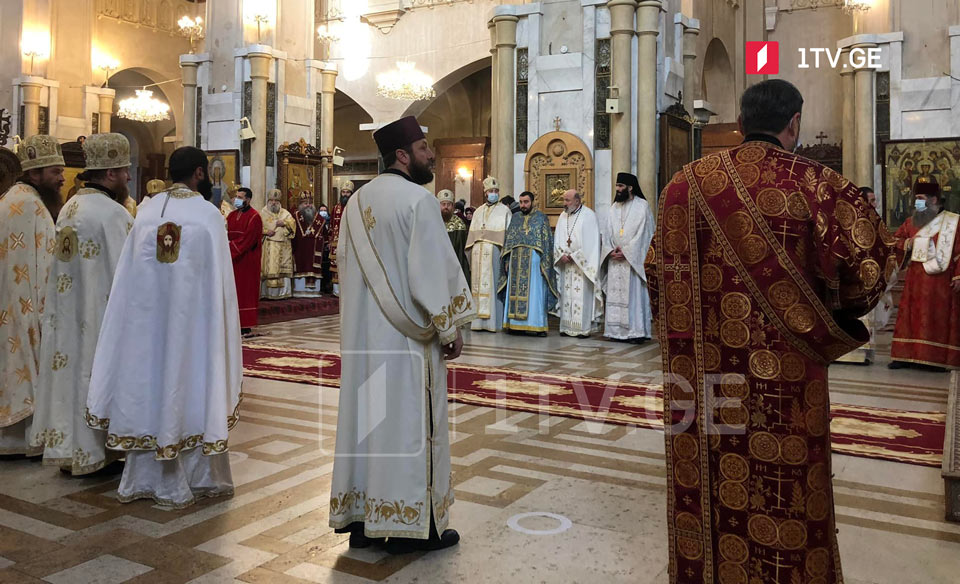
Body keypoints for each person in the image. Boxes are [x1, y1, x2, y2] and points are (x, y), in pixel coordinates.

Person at [647, 79, 894, 584]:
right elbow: (868, 273)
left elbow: (656, 272)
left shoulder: (680, 186)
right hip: (787, 383)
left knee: (714, 488)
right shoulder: (819, 185)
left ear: (739, 124)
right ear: (794, 124)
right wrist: (827, 311)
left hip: (702, 380)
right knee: (788, 494)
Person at [329, 116, 475, 553]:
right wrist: (449, 328)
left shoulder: (355, 204)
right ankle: (419, 526)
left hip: (363, 340)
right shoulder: (418, 201)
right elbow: (430, 274)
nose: (432, 155)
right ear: (403, 155)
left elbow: (343, 268)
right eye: (425, 148)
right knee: (411, 428)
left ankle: (362, 521)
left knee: (370, 427)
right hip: (407, 345)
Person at [85, 146, 242, 509]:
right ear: (201, 173)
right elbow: (220, 284)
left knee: (150, 386)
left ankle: (143, 475)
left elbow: (128, 279)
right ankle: (197, 475)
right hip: (193, 328)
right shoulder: (207, 214)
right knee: (188, 385)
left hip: (145, 327)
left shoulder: (146, 210)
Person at [30, 133, 134, 474]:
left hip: (66, 316)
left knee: (70, 376)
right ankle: (94, 453)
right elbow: (127, 272)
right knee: (93, 375)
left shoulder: (70, 207)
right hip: (99, 316)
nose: (129, 177)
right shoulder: (112, 214)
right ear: (110, 174)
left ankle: (70, 449)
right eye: (124, 170)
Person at [0, 135, 61, 454]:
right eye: (55, 171)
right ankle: (22, 439)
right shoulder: (28, 204)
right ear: (34, 173)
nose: (63, 177)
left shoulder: (14, 197)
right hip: (23, 305)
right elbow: (42, 265)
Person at [889, 179, 960, 370]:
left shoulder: (953, 222)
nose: (916, 203)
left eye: (920, 198)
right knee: (909, 316)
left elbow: (959, 251)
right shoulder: (911, 222)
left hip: (940, 280)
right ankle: (904, 356)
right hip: (915, 279)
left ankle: (934, 359)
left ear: (934, 199)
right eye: (916, 198)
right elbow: (894, 241)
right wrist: (907, 244)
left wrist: (958, 276)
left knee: (935, 318)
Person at [837, 187, 898, 365]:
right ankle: (848, 353)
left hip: (868, 276)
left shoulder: (875, 222)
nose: (875, 204)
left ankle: (863, 352)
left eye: (874, 200)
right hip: (852, 277)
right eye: (871, 200)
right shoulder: (846, 220)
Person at [600, 172, 655, 343]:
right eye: (617, 186)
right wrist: (610, 250)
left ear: (630, 188)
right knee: (615, 295)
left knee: (634, 297)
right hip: (615, 260)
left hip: (632, 262)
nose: (617, 189)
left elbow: (645, 234)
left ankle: (635, 332)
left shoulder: (642, 206)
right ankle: (615, 332)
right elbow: (607, 232)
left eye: (621, 186)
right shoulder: (613, 208)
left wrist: (627, 251)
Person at [498, 191, 558, 335]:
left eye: (526, 202)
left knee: (535, 292)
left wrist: (545, 263)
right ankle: (514, 324)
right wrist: (506, 260)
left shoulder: (541, 218)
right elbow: (509, 241)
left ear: (532, 202)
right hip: (515, 260)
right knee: (514, 291)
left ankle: (537, 325)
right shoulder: (515, 218)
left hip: (534, 261)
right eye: (521, 202)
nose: (523, 205)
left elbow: (547, 243)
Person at [553, 189, 603, 337]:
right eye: (564, 200)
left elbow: (592, 243)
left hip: (582, 266)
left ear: (577, 200)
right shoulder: (563, 216)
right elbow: (558, 238)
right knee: (567, 295)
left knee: (581, 296)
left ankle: (583, 329)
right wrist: (560, 254)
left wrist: (575, 256)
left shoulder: (589, 216)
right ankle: (566, 327)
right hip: (566, 265)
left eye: (567, 200)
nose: (565, 203)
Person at [466, 176, 513, 332]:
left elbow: (508, 236)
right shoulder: (478, 211)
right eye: (491, 191)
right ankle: (478, 322)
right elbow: (471, 236)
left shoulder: (505, 211)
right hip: (478, 253)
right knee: (477, 287)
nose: (494, 193)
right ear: (485, 193)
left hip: (494, 252)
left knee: (492, 285)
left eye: (496, 191)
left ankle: (493, 323)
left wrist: (506, 257)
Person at [227, 187, 263, 335]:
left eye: (240, 197)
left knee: (245, 292)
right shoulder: (230, 216)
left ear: (248, 199)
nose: (237, 199)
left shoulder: (255, 217)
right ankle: (231, 321)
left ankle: (245, 324)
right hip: (232, 260)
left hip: (246, 261)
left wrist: (228, 248)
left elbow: (247, 240)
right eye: (236, 196)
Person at [260, 189, 296, 300]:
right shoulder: (262, 213)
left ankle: (283, 293)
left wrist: (284, 223)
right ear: (268, 200)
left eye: (276, 200)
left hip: (283, 245)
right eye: (271, 200)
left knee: (282, 270)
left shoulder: (285, 213)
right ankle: (267, 293)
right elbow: (257, 227)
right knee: (269, 268)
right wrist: (266, 232)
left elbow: (293, 224)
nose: (274, 202)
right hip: (269, 244)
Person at [292, 191, 327, 298]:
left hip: (314, 250)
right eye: (305, 203)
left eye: (310, 203)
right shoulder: (295, 217)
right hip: (300, 249)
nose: (308, 205)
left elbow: (325, 235)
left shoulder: (320, 220)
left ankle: (314, 291)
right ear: (300, 204)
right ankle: (299, 290)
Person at [438, 189, 470, 281]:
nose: (446, 207)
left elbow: (460, 251)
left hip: (454, 265)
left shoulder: (458, 223)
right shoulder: (433, 221)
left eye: (449, 204)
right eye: (443, 204)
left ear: (453, 206)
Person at [330, 180, 354, 297]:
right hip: (337, 240)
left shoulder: (354, 207)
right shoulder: (335, 208)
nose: (345, 194)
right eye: (343, 192)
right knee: (336, 265)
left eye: (347, 192)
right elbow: (332, 224)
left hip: (351, 241)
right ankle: (337, 291)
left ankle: (349, 291)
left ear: (351, 193)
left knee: (350, 266)